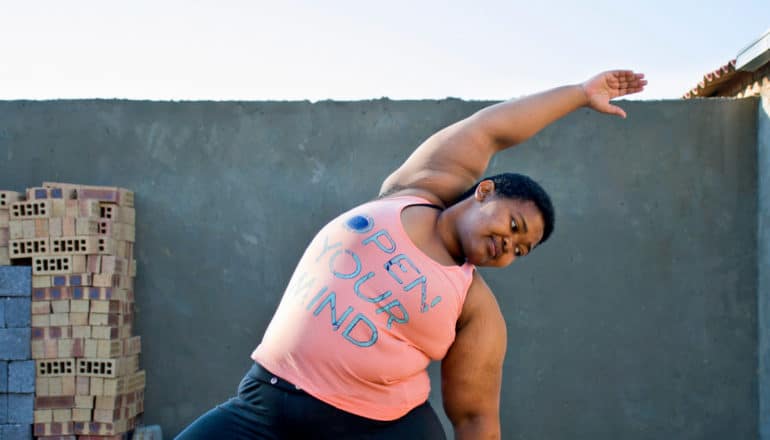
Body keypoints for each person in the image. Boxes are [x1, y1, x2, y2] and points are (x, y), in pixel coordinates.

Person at [176, 70, 647, 439]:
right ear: (485, 192)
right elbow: (490, 130)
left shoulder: (475, 308)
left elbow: (476, 419)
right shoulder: (414, 189)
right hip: (267, 402)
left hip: (371, 429)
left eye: (520, 251)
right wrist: (580, 93)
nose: (510, 246)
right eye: (514, 226)